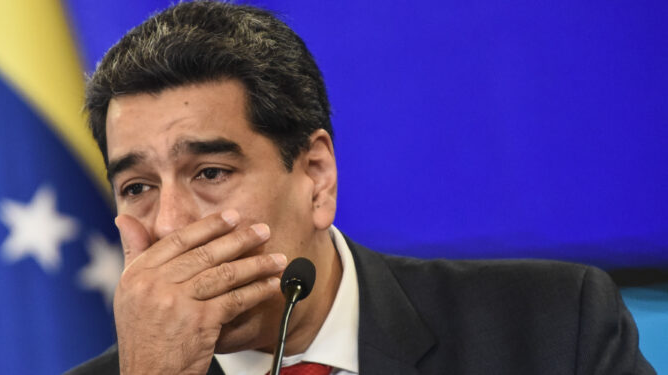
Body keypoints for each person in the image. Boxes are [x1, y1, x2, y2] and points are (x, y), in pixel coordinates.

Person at [66, 2, 655, 374]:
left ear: (317, 176)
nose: (169, 223)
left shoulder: (549, 328)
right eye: (138, 187)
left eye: (211, 173)